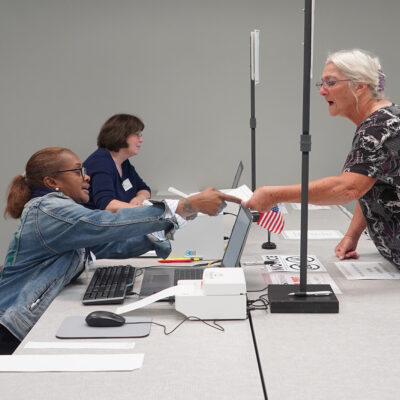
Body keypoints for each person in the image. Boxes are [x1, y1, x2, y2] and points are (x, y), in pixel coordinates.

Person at [0, 147, 240, 353]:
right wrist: (184, 204)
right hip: (11, 327)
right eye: (78, 171)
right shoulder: (47, 210)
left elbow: (108, 245)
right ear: (51, 182)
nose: (87, 178)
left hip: (23, 320)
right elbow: (104, 224)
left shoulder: (57, 210)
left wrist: (176, 219)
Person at [244, 49, 400, 269]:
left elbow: (348, 189)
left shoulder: (380, 129)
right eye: (322, 83)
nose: (323, 91)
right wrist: (352, 235)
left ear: (359, 86)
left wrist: (274, 195)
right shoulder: (382, 121)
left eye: (331, 82)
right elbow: (370, 182)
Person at [83, 114, 151, 212]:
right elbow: (106, 204)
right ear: (121, 135)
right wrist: (140, 209)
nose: (141, 139)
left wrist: (139, 198)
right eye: (137, 135)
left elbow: (144, 189)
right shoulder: (100, 162)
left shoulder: (123, 162)